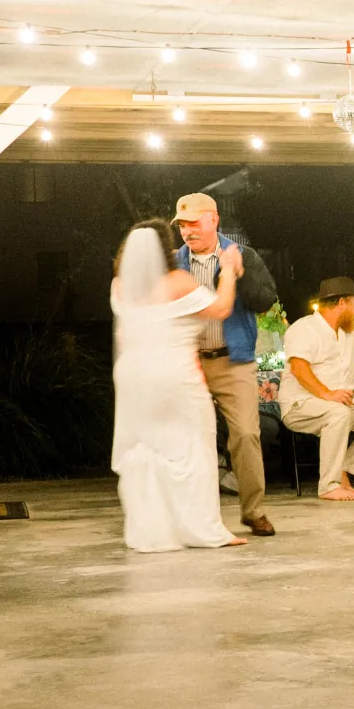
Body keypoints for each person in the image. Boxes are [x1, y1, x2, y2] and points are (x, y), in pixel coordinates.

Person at [111, 220, 245, 552]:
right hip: (174, 375)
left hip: (132, 376)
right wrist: (228, 270)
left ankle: (154, 528)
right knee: (195, 446)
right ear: (165, 249)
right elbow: (221, 308)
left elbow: (123, 335)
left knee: (148, 448)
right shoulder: (178, 281)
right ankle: (202, 529)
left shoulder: (119, 286)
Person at [172, 193, 276, 537]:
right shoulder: (174, 262)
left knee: (246, 434)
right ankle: (195, 517)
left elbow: (266, 300)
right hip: (190, 364)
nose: (187, 231)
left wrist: (240, 274)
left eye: (194, 223)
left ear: (214, 220)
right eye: (182, 225)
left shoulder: (243, 254)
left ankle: (253, 511)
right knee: (190, 439)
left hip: (233, 361)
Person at [280, 277, 354, 501]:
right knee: (339, 413)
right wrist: (327, 394)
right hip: (301, 403)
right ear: (342, 303)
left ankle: (343, 469)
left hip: (340, 402)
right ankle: (328, 486)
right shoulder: (304, 328)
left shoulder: (349, 332)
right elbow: (299, 368)